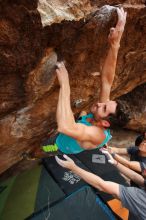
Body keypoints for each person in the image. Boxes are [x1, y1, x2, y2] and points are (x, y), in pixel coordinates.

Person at [27, 7, 127, 159]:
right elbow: (107, 80)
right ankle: (82, 118)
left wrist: (65, 85)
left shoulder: (96, 134)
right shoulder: (103, 116)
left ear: (105, 124)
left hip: (61, 144)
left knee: (43, 148)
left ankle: (31, 155)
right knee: (84, 115)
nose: (101, 103)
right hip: (80, 127)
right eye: (106, 103)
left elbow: (65, 127)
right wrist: (115, 44)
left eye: (104, 108)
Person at [55, 153, 146, 220]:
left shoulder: (138, 197)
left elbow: (101, 185)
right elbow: (137, 178)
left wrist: (73, 168)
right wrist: (115, 163)